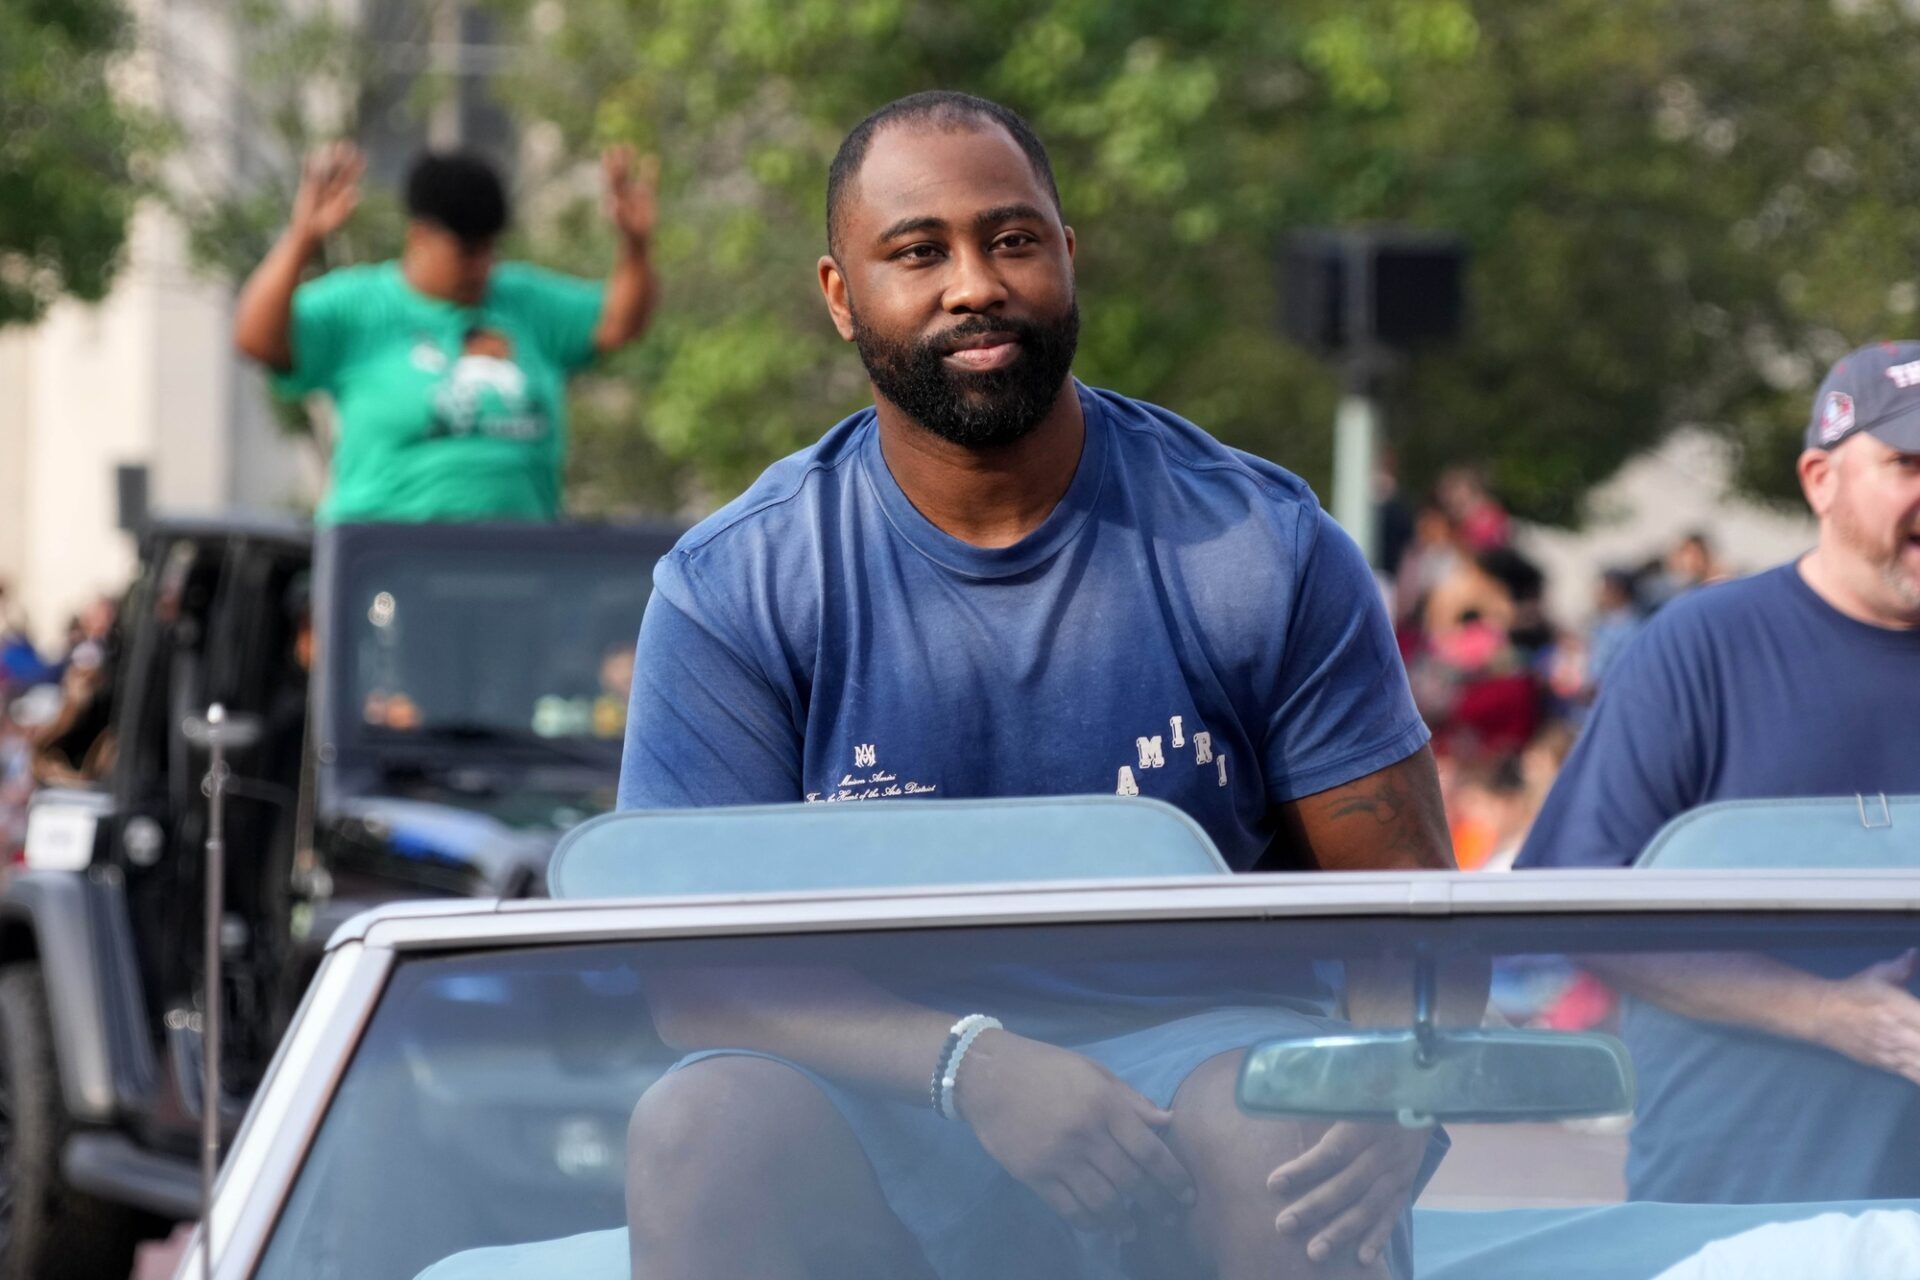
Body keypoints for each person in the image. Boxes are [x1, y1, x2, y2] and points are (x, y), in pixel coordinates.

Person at [619, 92, 1472, 1280]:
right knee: (700, 1125)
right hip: (889, 1078)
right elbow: (696, 976)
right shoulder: (740, 582)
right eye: (919, 251)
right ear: (838, 294)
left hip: (1209, 1073)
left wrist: (1397, 1095)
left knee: (1283, 1122)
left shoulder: (1253, 544)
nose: (975, 282)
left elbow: (1410, 903)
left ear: (1067, 259)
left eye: (1011, 239)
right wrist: (970, 1061)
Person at [1517, 339, 1920, 1203]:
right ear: (1821, 480)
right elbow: (1573, 897)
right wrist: (1829, 1014)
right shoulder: (1700, 648)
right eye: (1907, 463)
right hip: (1737, 1209)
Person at [234, 142, 659, 523]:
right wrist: (301, 240)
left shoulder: (522, 301)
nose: (484, 266)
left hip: (519, 566)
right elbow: (255, 337)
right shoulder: (358, 306)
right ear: (420, 237)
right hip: (385, 567)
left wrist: (635, 247)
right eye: (468, 251)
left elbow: (621, 323)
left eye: (491, 248)